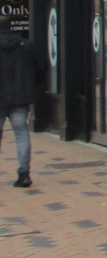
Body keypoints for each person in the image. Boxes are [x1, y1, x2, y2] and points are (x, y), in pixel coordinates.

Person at [0, 15, 47, 188]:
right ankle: (24, 172)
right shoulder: (26, 45)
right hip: (21, 96)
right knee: (21, 133)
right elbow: (41, 66)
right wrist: (31, 84)